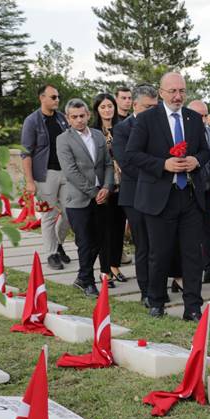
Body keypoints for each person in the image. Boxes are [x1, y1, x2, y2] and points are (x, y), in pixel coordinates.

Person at [125, 72, 209, 321]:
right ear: (161, 93)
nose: (177, 96)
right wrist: (163, 164)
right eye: (172, 91)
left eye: (182, 91)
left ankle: (193, 306)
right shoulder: (148, 119)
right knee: (159, 253)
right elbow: (132, 154)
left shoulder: (193, 118)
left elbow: (206, 151)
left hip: (190, 196)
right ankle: (157, 300)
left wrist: (196, 160)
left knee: (193, 254)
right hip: (159, 197)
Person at [56, 98, 114, 297]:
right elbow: (71, 171)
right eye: (75, 117)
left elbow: (107, 163)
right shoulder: (63, 139)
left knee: (99, 239)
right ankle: (87, 281)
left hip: (102, 195)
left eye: (82, 116)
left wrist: (107, 186)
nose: (79, 120)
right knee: (85, 241)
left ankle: (82, 276)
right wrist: (93, 192)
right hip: (78, 199)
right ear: (68, 118)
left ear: (88, 115)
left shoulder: (98, 135)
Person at [112, 84, 159, 309]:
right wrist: (157, 171)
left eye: (155, 106)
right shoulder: (122, 129)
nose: (152, 110)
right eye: (148, 106)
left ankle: (158, 286)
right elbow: (127, 163)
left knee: (158, 244)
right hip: (135, 195)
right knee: (144, 244)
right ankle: (146, 291)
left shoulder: (161, 126)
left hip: (159, 193)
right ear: (135, 105)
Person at [20, 84, 72, 272]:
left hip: (66, 173)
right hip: (44, 175)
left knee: (70, 213)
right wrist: (29, 181)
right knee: (48, 215)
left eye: (58, 97)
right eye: (53, 97)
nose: (57, 100)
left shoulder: (62, 119)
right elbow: (26, 153)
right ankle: (51, 254)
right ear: (42, 98)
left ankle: (58, 244)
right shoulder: (32, 121)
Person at [90, 93, 128, 287]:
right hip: (104, 184)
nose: (107, 110)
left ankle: (115, 265)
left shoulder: (122, 128)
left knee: (119, 227)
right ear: (97, 109)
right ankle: (105, 270)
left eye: (110, 106)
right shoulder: (93, 131)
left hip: (123, 184)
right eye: (103, 107)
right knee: (105, 228)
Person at [188, 99, 210, 285]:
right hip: (191, 191)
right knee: (192, 234)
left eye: (204, 115)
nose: (201, 119)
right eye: (197, 115)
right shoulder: (183, 135)